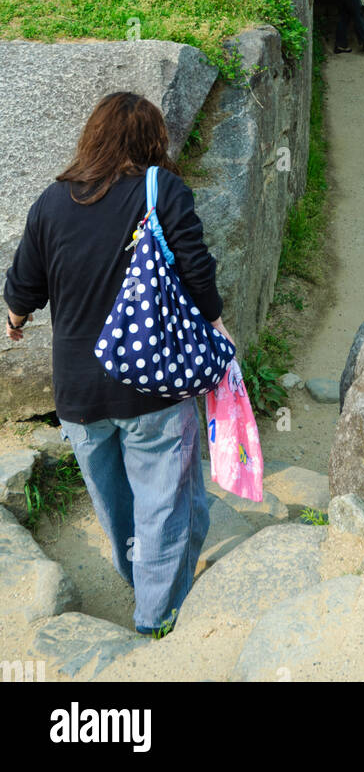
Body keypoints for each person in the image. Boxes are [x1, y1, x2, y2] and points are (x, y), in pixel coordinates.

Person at [3, 92, 232, 637]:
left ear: (92, 138)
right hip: (151, 383)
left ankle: (138, 581)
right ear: (151, 141)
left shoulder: (50, 203)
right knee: (163, 502)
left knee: (116, 505)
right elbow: (197, 269)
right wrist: (216, 322)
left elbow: (22, 289)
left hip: (78, 394)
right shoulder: (162, 190)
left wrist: (14, 319)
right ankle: (157, 617)